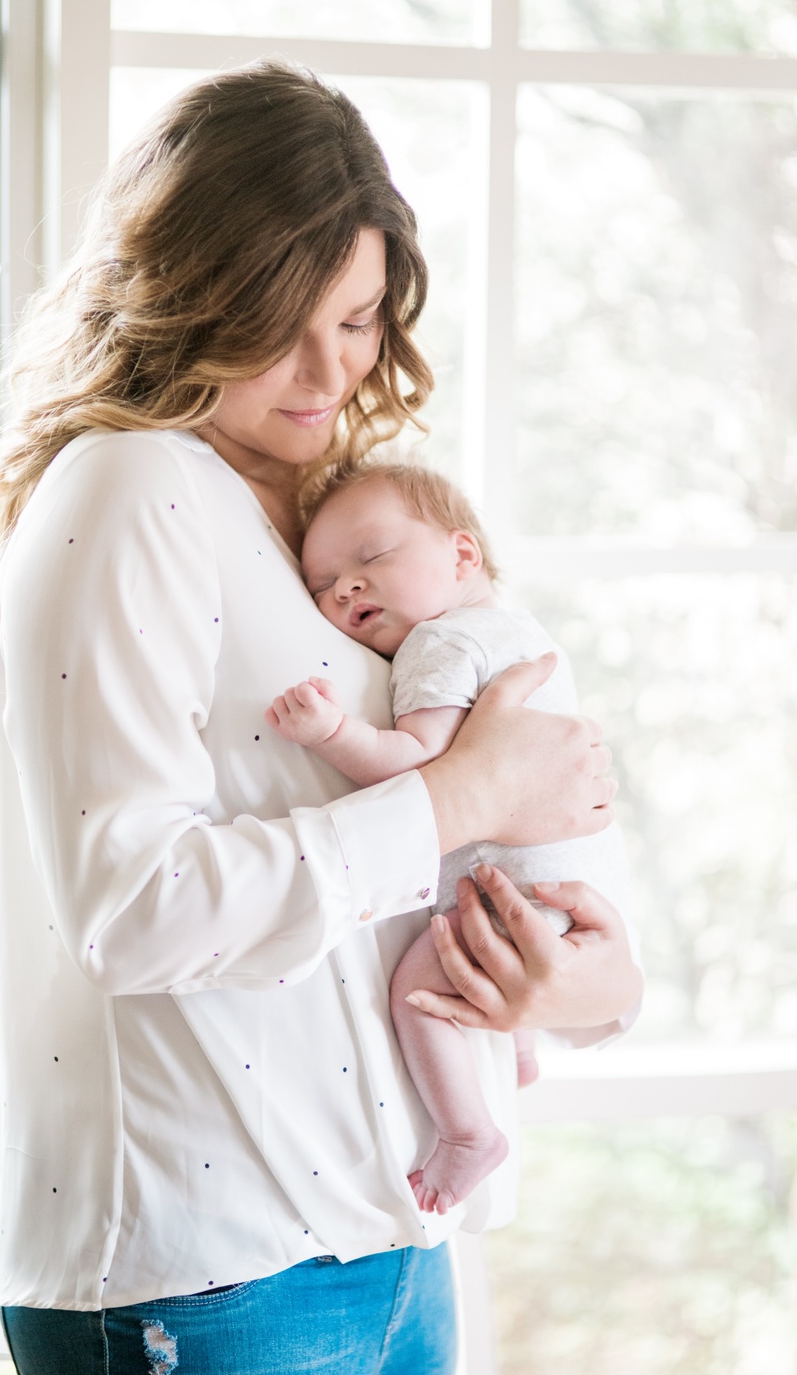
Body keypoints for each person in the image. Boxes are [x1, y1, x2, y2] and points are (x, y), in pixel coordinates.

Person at [0, 60, 641, 1375]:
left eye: (358, 320)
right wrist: (462, 794)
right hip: (210, 1279)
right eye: (283, 323)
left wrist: (576, 983)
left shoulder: (345, 517)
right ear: (188, 296)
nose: (330, 369)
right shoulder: (130, 488)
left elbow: (468, 840)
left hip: (393, 1244)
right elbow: (132, 908)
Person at [266, 461, 630, 1219]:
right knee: (480, 974)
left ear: (462, 554)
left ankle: (468, 1133)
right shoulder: (521, 632)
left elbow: (416, 768)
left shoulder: (439, 643)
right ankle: (517, 1051)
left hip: (505, 892)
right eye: (323, 586)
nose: (346, 588)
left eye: (372, 558)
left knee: (419, 996)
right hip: (567, 883)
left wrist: (331, 733)